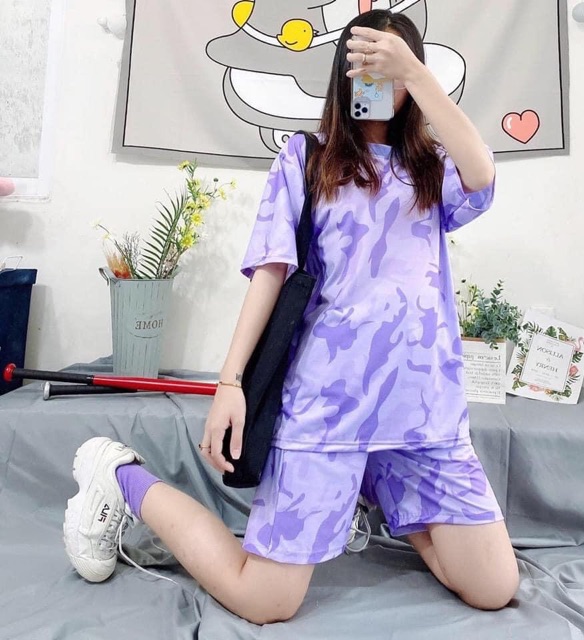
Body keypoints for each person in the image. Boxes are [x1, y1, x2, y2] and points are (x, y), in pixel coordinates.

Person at [63, 10, 519, 625]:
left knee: (492, 587)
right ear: (342, 74)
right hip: (330, 407)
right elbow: (271, 273)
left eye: (389, 69)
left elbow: (483, 175)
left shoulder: (433, 165)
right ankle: (120, 478)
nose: (376, 82)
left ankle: (371, 483)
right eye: (363, 67)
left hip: (422, 413)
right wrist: (230, 382)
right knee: (265, 601)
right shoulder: (308, 158)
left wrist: (413, 71)